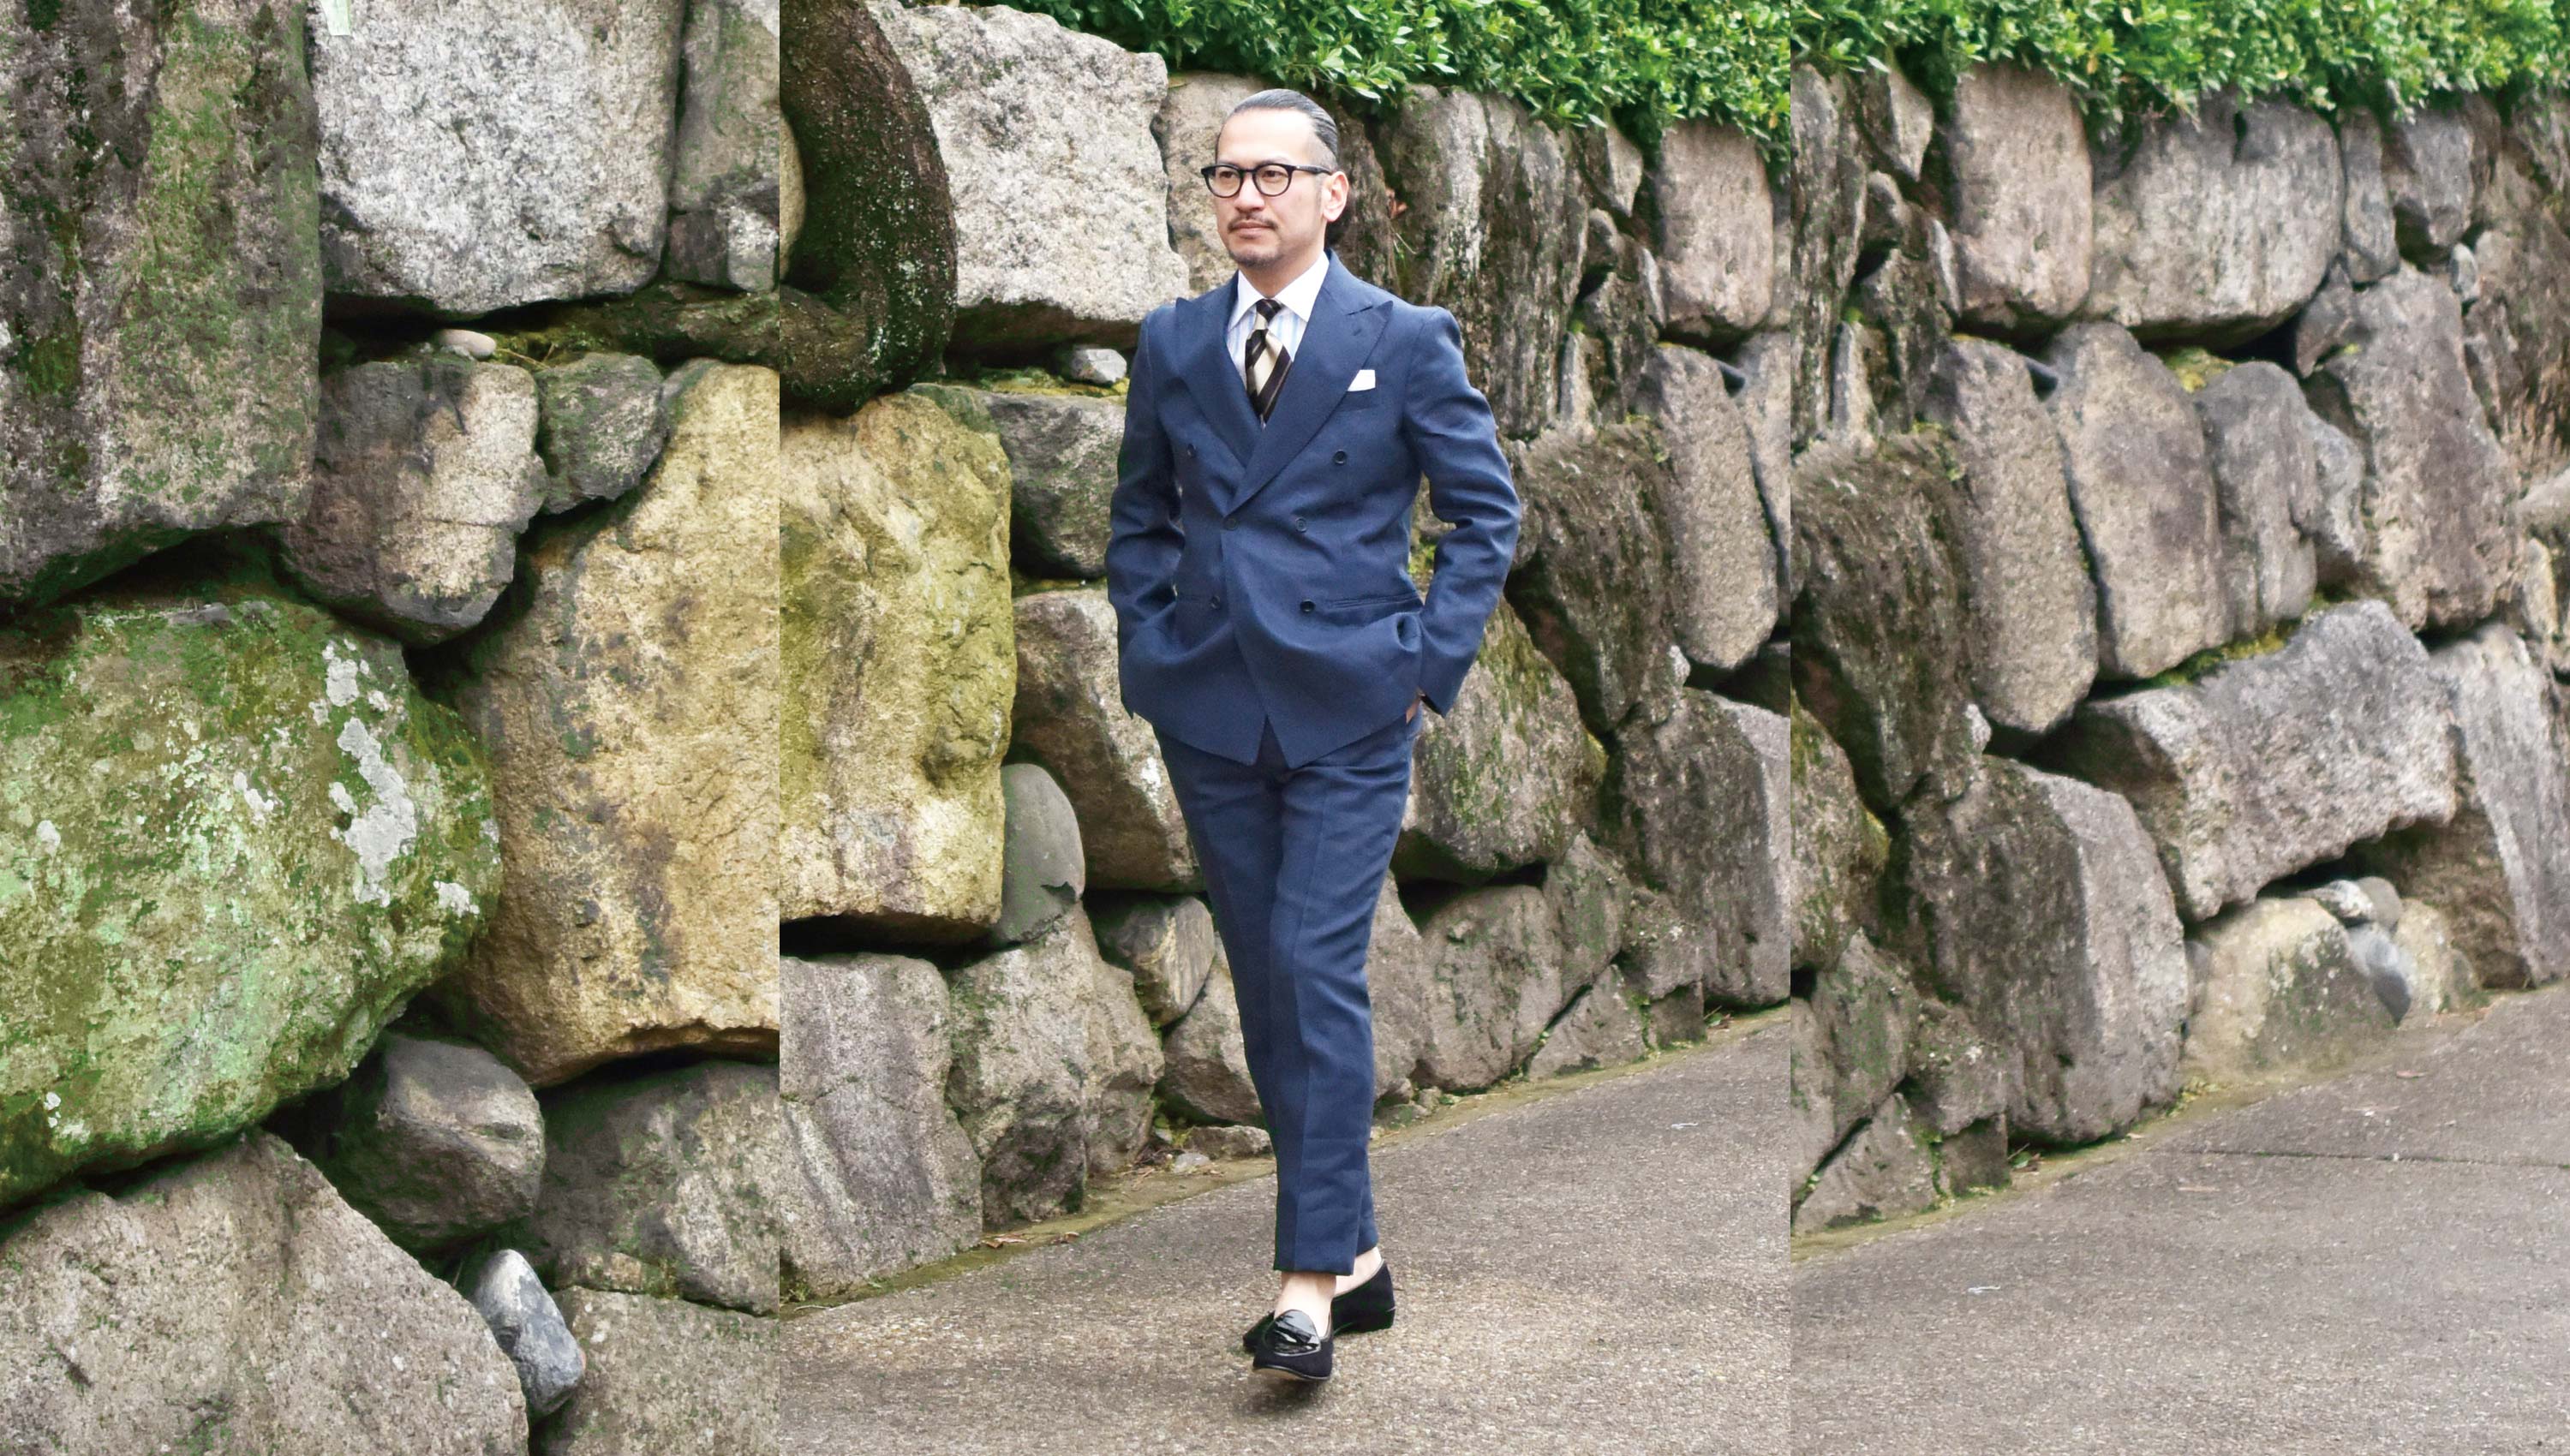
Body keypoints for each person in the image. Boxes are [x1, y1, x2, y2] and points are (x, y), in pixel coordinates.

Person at [1103, 87, 1521, 1382]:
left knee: (1311, 965)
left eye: (1273, 175)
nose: (1246, 196)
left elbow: (1484, 514)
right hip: (1213, 707)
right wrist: (1150, 650)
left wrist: (1425, 670)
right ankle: (1358, 1256)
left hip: (1352, 706)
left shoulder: (1403, 339)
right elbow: (1139, 518)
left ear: (1333, 195)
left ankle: (1303, 1291)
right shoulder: (1175, 340)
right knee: (1268, 988)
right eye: (1227, 175)